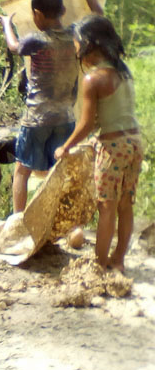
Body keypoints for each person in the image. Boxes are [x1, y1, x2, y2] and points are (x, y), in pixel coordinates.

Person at [0, 0, 103, 213]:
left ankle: (19, 222)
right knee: (59, 170)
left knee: (22, 169)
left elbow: (13, 46)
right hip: (65, 118)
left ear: (37, 15)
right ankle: (57, 221)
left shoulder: (36, 40)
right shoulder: (76, 34)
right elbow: (98, 16)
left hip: (36, 118)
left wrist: (7, 25)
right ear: (63, 12)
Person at [54, 15, 143, 272]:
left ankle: (99, 265)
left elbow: (86, 124)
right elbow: (113, 115)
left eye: (77, 43)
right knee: (126, 205)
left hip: (113, 148)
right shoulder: (123, 71)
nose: (76, 49)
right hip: (134, 143)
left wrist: (66, 146)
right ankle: (118, 261)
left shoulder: (93, 79)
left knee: (106, 207)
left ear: (89, 43)